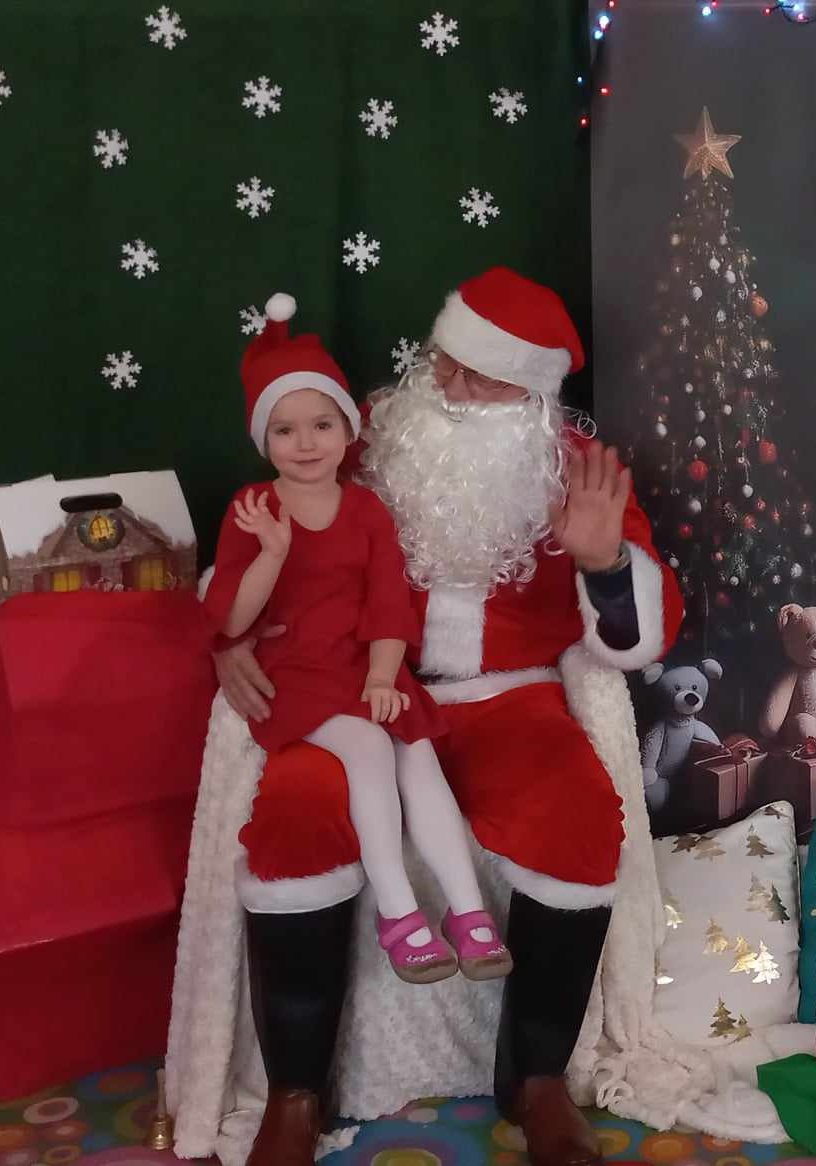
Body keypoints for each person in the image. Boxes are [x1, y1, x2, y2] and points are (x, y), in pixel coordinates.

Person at [212, 269, 680, 1166]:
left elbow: (643, 633)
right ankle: (295, 1095)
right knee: (300, 806)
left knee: (577, 811)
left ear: (532, 394)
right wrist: (229, 639)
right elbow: (261, 539)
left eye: (483, 377)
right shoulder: (365, 438)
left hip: (510, 697)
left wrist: (606, 564)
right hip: (356, 692)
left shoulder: (577, 471)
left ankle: (537, 1082)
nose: (455, 389)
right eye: (446, 364)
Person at [205, 296, 506, 986]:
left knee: (417, 752)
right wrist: (273, 553)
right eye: (285, 430)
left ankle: (468, 912)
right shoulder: (253, 508)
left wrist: (382, 676)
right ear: (264, 439)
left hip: (364, 665)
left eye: (321, 424)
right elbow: (231, 621)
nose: (306, 443)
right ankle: (399, 915)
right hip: (296, 673)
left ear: (347, 430)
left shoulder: (367, 509)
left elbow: (388, 603)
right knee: (369, 747)